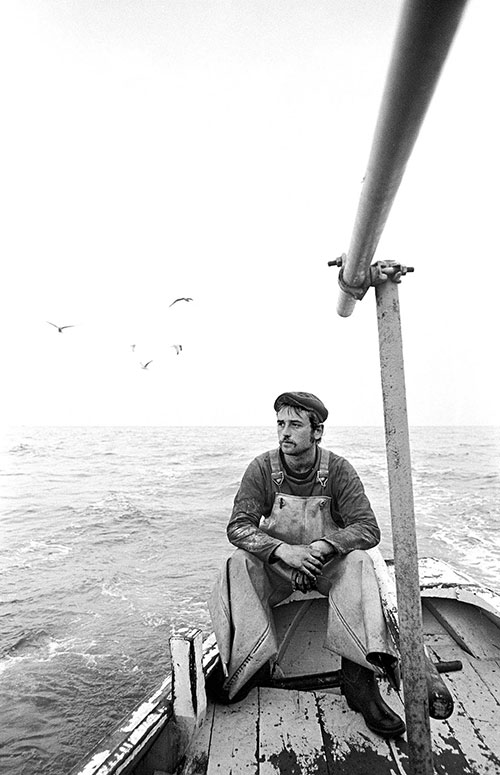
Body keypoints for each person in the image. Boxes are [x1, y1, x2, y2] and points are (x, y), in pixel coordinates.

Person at [208, 391, 405, 739]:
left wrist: (325, 545)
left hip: (325, 567)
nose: (284, 432)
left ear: (317, 432)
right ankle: (249, 666)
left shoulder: (339, 470)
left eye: (295, 425)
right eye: (280, 423)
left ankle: (359, 679)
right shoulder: (262, 468)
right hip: (281, 569)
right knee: (236, 563)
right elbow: (238, 527)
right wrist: (283, 550)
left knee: (359, 562)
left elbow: (367, 528)